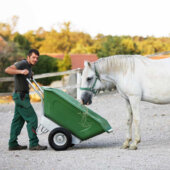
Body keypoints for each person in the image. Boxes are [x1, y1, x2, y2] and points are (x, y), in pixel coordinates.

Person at [5, 49, 47, 151]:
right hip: (21, 96)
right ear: (28, 57)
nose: (35, 59)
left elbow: (25, 75)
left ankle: (12, 144)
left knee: (17, 121)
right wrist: (21, 71)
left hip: (21, 96)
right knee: (32, 118)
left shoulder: (28, 66)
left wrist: (29, 73)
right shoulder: (23, 63)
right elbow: (8, 70)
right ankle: (33, 144)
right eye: (33, 57)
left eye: (37, 58)